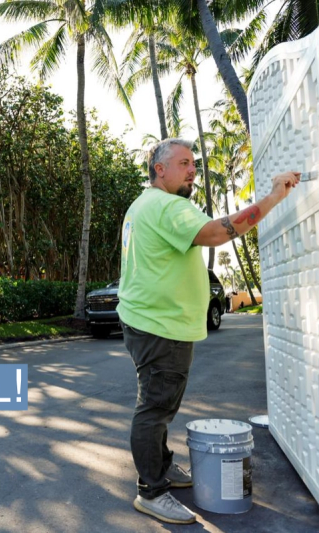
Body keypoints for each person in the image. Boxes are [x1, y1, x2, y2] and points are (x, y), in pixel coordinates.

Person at [118, 138, 300, 525]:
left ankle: (161, 468)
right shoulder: (168, 206)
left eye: (193, 164)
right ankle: (151, 491)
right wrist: (273, 197)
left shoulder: (142, 205)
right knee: (154, 408)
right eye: (183, 163)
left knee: (159, 404)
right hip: (160, 326)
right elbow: (218, 233)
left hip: (148, 322)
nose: (192, 170)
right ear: (159, 169)